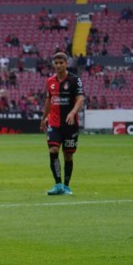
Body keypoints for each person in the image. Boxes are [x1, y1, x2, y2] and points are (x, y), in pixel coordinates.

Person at [40, 51, 85, 196]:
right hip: (54, 123)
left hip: (70, 124)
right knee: (53, 151)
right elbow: (48, 100)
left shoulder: (74, 80)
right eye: (56, 63)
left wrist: (73, 112)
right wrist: (43, 117)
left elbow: (80, 99)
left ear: (66, 63)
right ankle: (58, 184)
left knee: (68, 156)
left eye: (61, 63)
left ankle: (66, 186)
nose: (58, 65)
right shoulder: (50, 81)